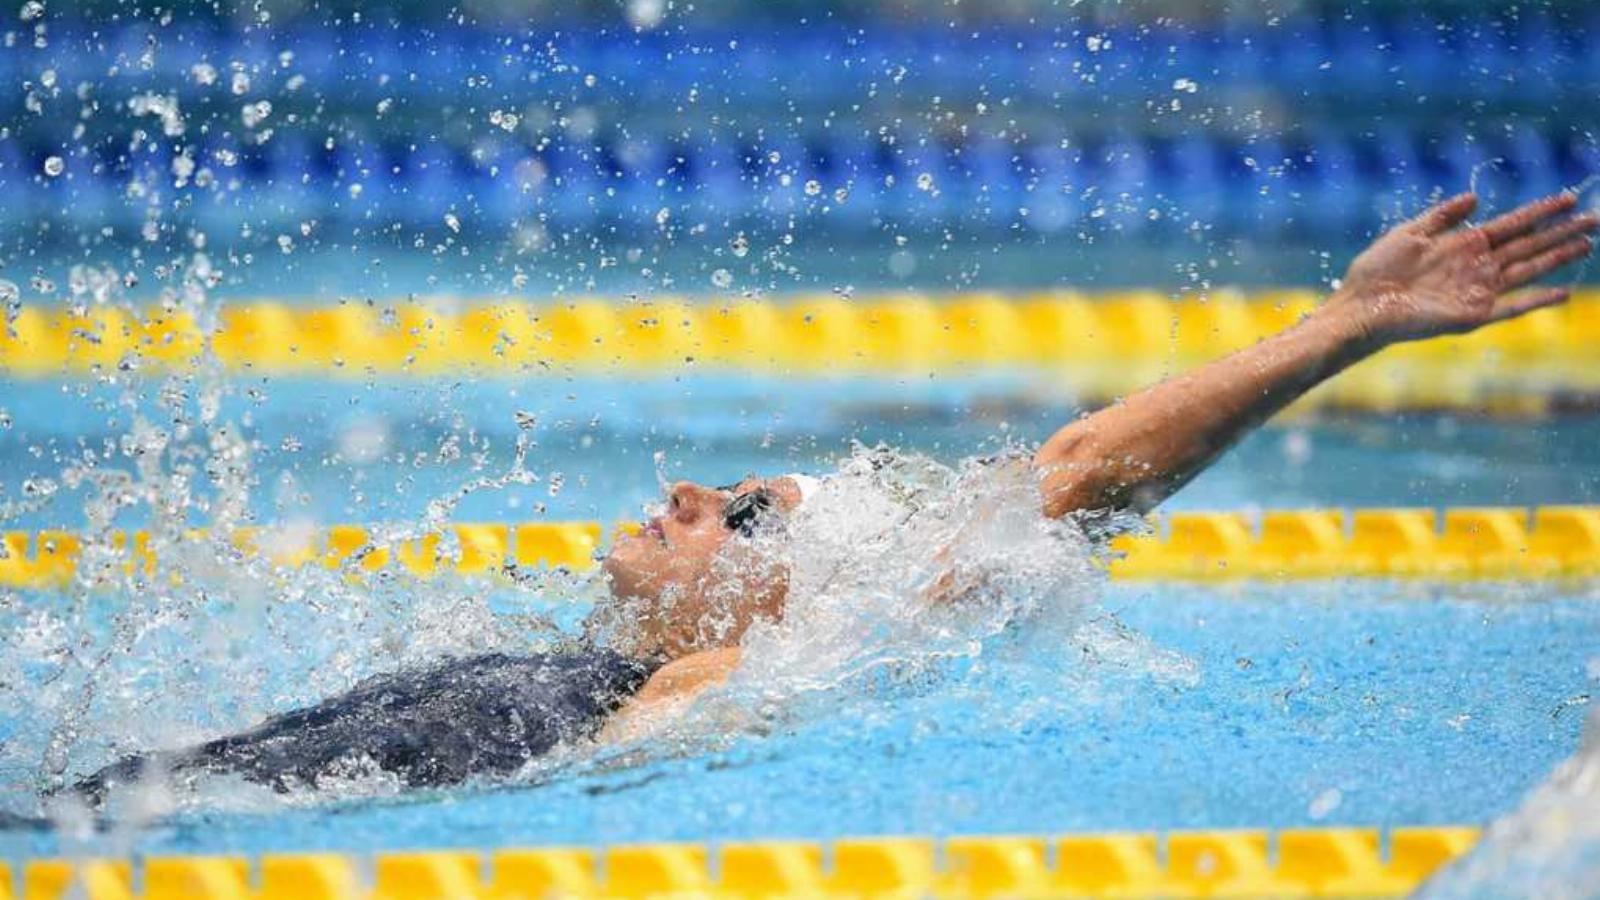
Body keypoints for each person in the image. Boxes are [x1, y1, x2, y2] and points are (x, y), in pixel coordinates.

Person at [70, 191, 1596, 801]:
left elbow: (1070, 481)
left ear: (778, 598)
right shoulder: (574, 672)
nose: (683, 493)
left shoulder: (718, 682)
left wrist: (1347, 326)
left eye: (737, 517)